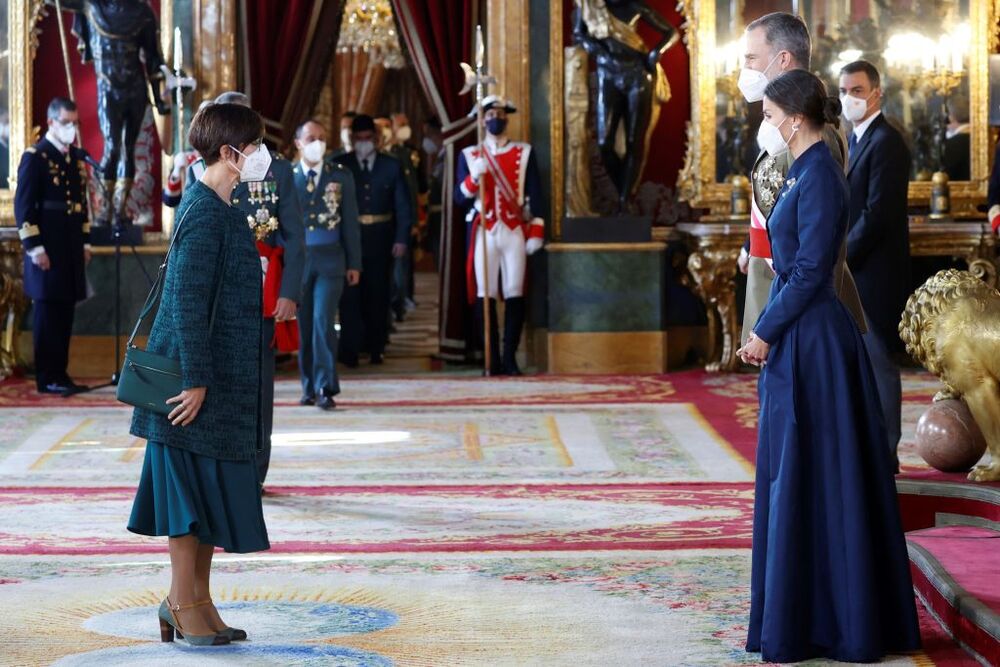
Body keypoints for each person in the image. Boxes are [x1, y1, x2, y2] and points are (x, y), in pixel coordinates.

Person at [737, 70, 921, 663]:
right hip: (801, 337)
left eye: (768, 114)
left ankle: (836, 621)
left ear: (793, 116)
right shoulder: (800, 170)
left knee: (816, 476)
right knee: (796, 477)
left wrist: (764, 330)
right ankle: (804, 613)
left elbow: (814, 271)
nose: (765, 123)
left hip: (814, 340)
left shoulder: (818, 173)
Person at [127, 102, 271, 646]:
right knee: (186, 502)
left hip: (218, 383)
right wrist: (195, 379)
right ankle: (182, 603)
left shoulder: (225, 207)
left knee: (206, 498)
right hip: (187, 388)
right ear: (230, 152)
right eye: (254, 146)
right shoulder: (203, 210)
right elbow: (186, 302)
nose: (261, 155)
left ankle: (194, 602)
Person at [735, 12, 865, 345]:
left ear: (782, 59)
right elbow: (773, 192)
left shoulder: (815, 131)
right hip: (773, 280)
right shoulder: (778, 120)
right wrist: (753, 243)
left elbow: (820, 236)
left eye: (751, 58)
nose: (745, 68)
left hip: (802, 301)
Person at [214, 91, 304, 489]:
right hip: (220, 291)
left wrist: (289, 292)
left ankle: (254, 470)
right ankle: (221, 464)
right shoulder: (211, 164)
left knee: (258, 388)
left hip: (264, 291)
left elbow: (296, 239)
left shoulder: (279, 171)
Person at [839, 60, 912, 460]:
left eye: (857, 90)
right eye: (844, 90)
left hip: (875, 273)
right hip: (855, 271)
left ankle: (887, 452)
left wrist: (840, 256)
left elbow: (878, 215)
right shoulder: (854, 138)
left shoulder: (887, 142)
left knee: (879, 361)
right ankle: (866, 449)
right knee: (859, 363)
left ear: (876, 93)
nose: (849, 98)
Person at [455, 96, 545, 375]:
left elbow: (536, 195)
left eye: (501, 114)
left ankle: (510, 357)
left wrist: (537, 232)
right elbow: (459, 198)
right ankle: (490, 358)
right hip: (484, 230)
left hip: (515, 230)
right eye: (491, 114)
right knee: (486, 294)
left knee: (515, 292)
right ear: (482, 120)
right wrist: (473, 179)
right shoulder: (470, 155)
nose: (496, 118)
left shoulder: (524, 152)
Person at [15, 97, 92, 395]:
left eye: (75, 122)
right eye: (66, 122)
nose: (71, 128)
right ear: (51, 123)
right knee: (48, 317)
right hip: (46, 251)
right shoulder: (36, 156)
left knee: (64, 315)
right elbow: (24, 209)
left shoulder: (74, 157)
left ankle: (60, 374)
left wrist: (85, 242)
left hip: (70, 251)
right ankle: (47, 376)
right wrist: (35, 249)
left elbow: (80, 206)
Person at [292, 119, 361, 410]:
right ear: (298, 143)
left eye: (321, 137)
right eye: (310, 138)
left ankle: (325, 386)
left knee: (323, 321)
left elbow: (350, 223)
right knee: (304, 324)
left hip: (331, 258)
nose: (316, 143)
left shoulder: (341, 176)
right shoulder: (287, 176)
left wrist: (354, 262)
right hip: (298, 261)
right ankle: (308, 385)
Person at [338, 114, 412, 366]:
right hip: (349, 240)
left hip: (381, 238)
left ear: (376, 138)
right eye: (358, 139)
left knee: (378, 295)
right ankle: (350, 348)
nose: (363, 143)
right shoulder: (341, 164)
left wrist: (402, 238)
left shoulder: (390, 165)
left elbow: (403, 205)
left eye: (368, 138)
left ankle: (376, 347)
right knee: (350, 297)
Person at [387, 112, 427, 321]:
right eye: (400, 124)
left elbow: (411, 189)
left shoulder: (407, 153)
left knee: (403, 265)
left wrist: (414, 220)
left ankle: (401, 301)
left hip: (401, 220)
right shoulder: (389, 153)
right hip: (384, 221)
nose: (405, 127)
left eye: (406, 124)